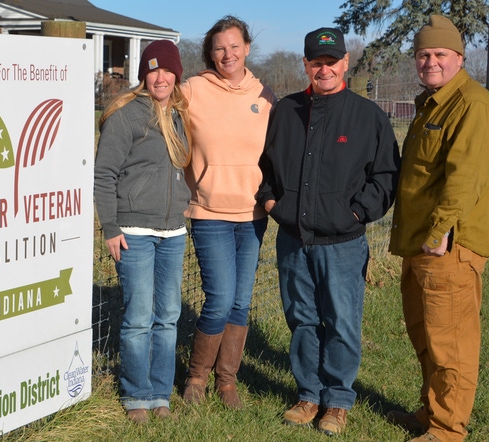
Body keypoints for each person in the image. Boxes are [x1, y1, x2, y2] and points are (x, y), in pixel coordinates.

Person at [256, 27, 400, 436]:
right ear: (305, 64)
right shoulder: (286, 111)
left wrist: (356, 214)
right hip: (293, 240)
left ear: (345, 63)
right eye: (316, 62)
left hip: (342, 244)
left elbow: (386, 177)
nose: (324, 69)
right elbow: (265, 167)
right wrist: (272, 203)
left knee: (341, 321)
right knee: (302, 318)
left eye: (331, 61)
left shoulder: (367, 116)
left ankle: (337, 401)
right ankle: (308, 394)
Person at [387, 15, 489, 442]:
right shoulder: (432, 102)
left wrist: (439, 231)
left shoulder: (472, 104)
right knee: (425, 334)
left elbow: (464, 176)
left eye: (440, 54)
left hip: (446, 245)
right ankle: (432, 410)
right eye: (423, 54)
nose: (430, 61)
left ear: (459, 58)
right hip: (420, 243)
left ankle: (447, 428)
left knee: (451, 342)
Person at [179, 15, 276, 410]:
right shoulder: (193, 90)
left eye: (235, 46)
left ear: (247, 48)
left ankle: (227, 381)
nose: (227, 54)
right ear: (210, 52)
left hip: (253, 214)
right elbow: (160, 114)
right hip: (209, 210)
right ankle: (197, 377)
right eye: (220, 48)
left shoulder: (265, 94)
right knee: (219, 299)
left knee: (241, 302)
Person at [94, 39, 191, 423]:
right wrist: (110, 227)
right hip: (133, 230)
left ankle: (159, 393)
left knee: (168, 316)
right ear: (143, 75)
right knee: (138, 317)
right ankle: (136, 395)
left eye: (168, 70)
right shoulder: (126, 114)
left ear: (177, 75)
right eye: (153, 70)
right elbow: (104, 174)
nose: (161, 77)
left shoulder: (180, 115)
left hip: (172, 232)